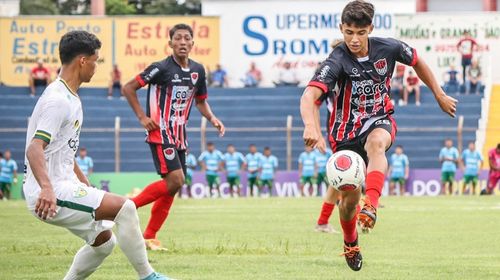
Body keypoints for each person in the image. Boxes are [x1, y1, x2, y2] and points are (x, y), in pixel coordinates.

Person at [300, 0, 457, 271]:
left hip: (379, 119)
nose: (354, 39)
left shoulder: (389, 47)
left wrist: (439, 94)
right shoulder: (336, 60)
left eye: (360, 33)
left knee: (377, 143)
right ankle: (351, 242)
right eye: (349, 32)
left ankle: (371, 204)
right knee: (348, 201)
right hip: (345, 134)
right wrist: (310, 126)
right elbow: (309, 95)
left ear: (370, 28)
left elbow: (418, 62)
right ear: (342, 28)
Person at [22, 30, 169, 280]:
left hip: (62, 184)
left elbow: (64, 148)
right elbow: (35, 147)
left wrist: (85, 184)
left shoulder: (70, 97)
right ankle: (148, 276)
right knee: (126, 207)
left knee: (104, 242)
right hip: (48, 191)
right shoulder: (58, 100)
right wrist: (47, 188)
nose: (96, 67)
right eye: (95, 60)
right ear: (82, 60)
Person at [122, 23, 225, 250]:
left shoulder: (198, 70)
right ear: (170, 43)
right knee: (176, 180)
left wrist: (212, 118)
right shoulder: (160, 68)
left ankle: (149, 236)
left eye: (186, 38)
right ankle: (124, 207)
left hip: (180, 135)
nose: (182, 42)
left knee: (173, 186)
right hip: (161, 133)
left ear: (192, 43)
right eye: (177, 38)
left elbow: (200, 100)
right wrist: (142, 117)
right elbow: (128, 88)